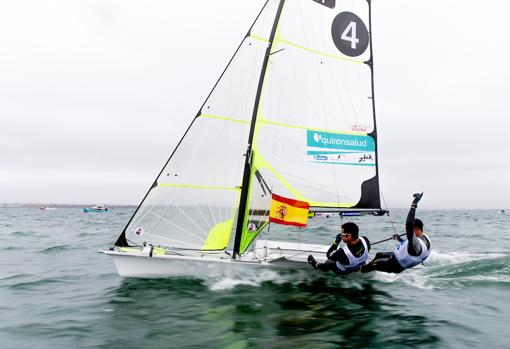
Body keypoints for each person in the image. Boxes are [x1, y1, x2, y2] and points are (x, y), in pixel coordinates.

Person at [361, 193, 431, 274]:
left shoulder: (416, 245)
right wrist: (399, 239)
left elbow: (409, 225)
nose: (406, 230)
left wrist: (414, 204)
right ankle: (366, 268)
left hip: (395, 265)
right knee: (379, 255)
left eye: (408, 229)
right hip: (396, 257)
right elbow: (410, 248)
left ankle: (360, 272)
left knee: (374, 263)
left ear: (417, 229)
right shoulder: (423, 237)